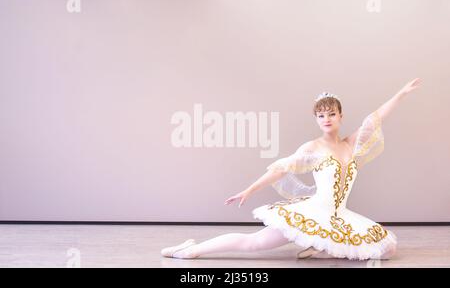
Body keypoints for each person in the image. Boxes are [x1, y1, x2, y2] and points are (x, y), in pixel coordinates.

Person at [161, 78, 422, 261]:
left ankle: (316, 245)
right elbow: (280, 170)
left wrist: (401, 94)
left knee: (386, 250)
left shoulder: (350, 145)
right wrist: (249, 190)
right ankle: (191, 250)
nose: (326, 119)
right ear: (317, 120)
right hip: (312, 213)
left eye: (331, 114)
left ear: (340, 117)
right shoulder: (313, 147)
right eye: (321, 116)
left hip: (339, 216)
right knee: (255, 242)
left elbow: (374, 120)